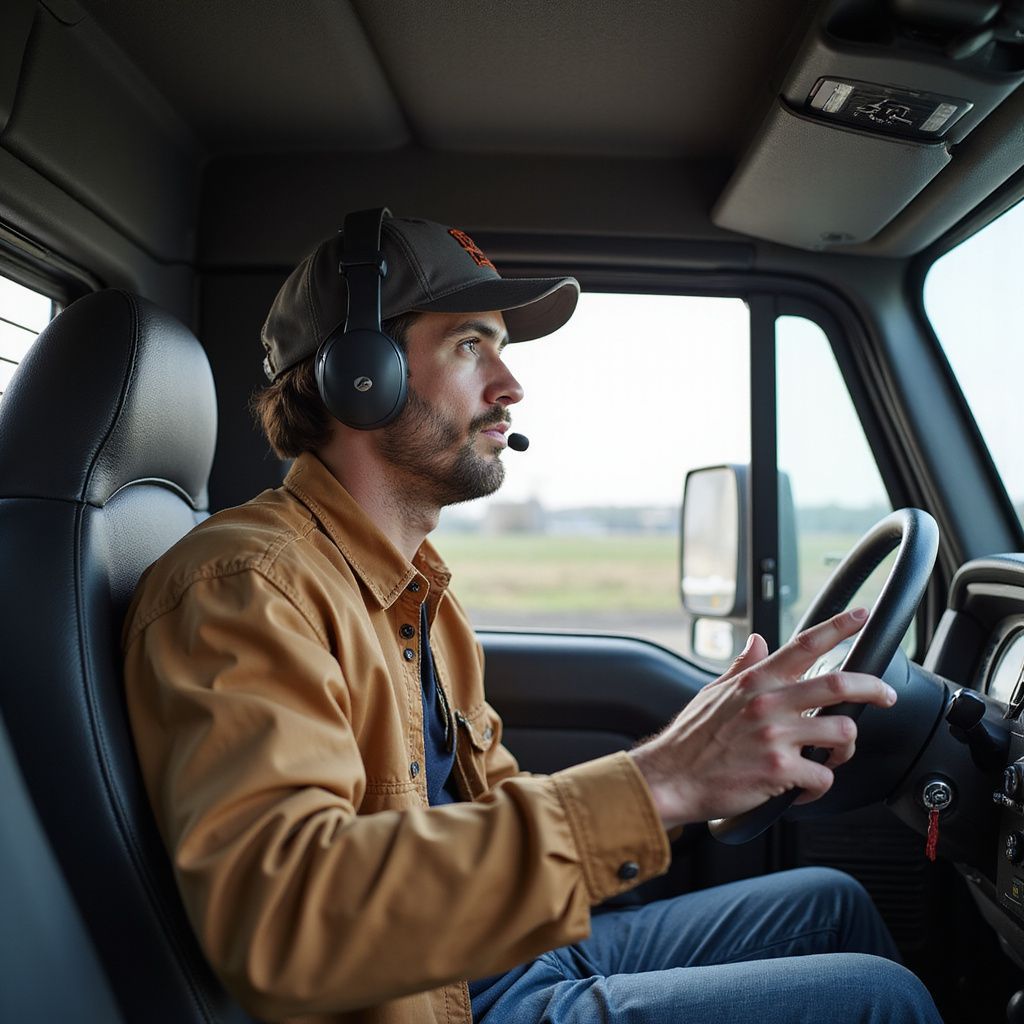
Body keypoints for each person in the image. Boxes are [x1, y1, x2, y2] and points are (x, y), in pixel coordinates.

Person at [122, 212, 942, 1024]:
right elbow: (286, 925)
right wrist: (662, 782)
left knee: (830, 904)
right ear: (359, 375)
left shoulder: (415, 592)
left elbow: (489, 810)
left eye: (502, 349)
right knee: (883, 999)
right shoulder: (246, 588)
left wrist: (689, 762)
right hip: (442, 1004)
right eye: (470, 345)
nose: (511, 385)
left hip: (501, 952)